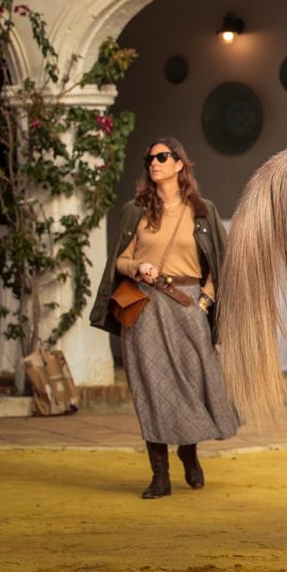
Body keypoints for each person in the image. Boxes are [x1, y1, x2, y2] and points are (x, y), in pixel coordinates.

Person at [87, 138, 239, 496]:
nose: (153, 163)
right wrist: (137, 265)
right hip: (144, 310)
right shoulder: (136, 210)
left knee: (190, 385)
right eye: (150, 158)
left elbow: (220, 262)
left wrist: (207, 299)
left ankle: (189, 452)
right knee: (151, 390)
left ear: (179, 165)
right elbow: (119, 261)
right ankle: (160, 475)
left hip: (188, 307)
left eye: (162, 157)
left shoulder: (202, 211)